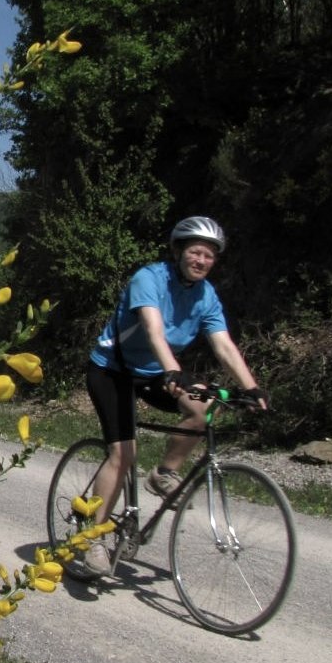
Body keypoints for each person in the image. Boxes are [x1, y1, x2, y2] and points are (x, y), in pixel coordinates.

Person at [81, 216, 268, 577]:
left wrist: (251, 387)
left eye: (210, 256)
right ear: (179, 251)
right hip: (112, 370)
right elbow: (153, 330)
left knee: (204, 406)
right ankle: (93, 539)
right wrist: (173, 370)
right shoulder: (148, 279)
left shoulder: (206, 295)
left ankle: (164, 472)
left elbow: (224, 346)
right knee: (123, 453)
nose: (201, 261)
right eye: (196, 252)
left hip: (155, 372)